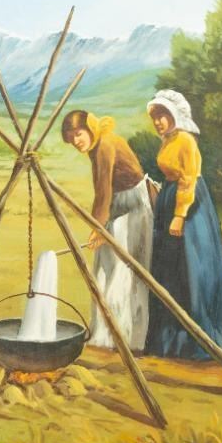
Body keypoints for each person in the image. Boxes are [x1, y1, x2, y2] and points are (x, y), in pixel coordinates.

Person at [143, 89, 222, 361]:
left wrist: (179, 214)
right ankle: (173, 341)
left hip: (190, 207)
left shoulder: (185, 140)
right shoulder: (169, 140)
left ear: (175, 114)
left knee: (191, 267)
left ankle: (200, 340)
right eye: (155, 117)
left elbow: (189, 179)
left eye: (163, 115)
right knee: (170, 269)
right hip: (171, 198)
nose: (158, 122)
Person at [61, 110, 155, 351]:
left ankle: (127, 337)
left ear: (90, 129)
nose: (76, 141)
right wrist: (99, 227)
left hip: (133, 207)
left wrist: (98, 228)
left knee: (123, 270)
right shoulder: (96, 147)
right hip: (118, 205)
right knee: (105, 267)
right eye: (71, 137)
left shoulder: (105, 145)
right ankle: (107, 333)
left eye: (78, 134)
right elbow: (102, 192)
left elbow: (103, 191)